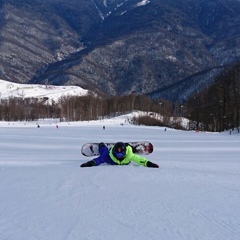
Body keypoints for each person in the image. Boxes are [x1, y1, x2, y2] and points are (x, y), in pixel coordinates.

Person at [80, 142, 159, 168]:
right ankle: (102, 146)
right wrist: (89, 163)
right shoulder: (109, 156)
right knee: (104, 152)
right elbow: (98, 160)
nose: (119, 155)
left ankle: (129, 146)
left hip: (127, 152)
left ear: (125, 153)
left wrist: (149, 164)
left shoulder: (129, 155)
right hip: (112, 160)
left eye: (121, 153)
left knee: (130, 149)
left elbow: (141, 160)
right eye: (117, 153)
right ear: (114, 152)